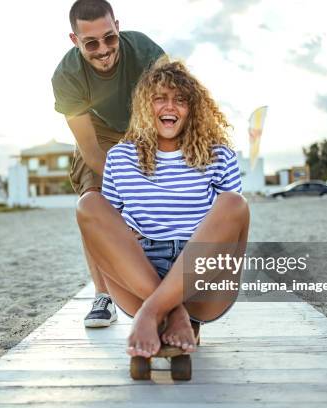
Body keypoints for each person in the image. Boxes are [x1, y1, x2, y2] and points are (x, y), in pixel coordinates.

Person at [76, 57, 250, 357]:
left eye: (180, 100)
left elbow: (229, 226)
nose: (170, 107)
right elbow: (111, 229)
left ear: (193, 109)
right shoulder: (120, 157)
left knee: (235, 203)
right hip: (140, 277)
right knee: (89, 204)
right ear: (146, 106)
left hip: (203, 282)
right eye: (160, 99)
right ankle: (175, 313)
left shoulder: (220, 156)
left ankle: (156, 310)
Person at [52, 0, 165, 327]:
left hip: (144, 126)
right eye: (91, 43)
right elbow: (89, 147)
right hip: (99, 134)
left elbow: (175, 105)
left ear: (118, 26)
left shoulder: (144, 50)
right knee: (94, 205)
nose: (103, 50)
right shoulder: (66, 77)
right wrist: (127, 195)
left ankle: (166, 282)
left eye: (110, 38)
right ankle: (103, 296)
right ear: (75, 40)